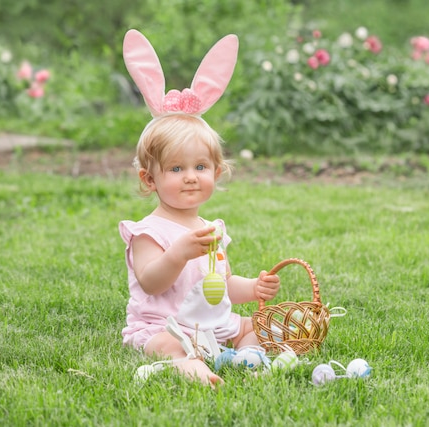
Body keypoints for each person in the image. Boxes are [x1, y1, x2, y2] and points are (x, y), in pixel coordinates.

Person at [118, 29, 280, 386]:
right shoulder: (149, 232)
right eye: (176, 169)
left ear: (217, 172)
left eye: (200, 167)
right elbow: (152, 282)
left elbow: (219, 285)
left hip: (213, 324)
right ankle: (188, 366)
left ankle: (247, 357)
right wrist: (178, 253)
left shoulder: (212, 227)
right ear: (149, 179)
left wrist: (252, 288)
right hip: (167, 325)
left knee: (258, 327)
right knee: (165, 344)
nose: (190, 177)